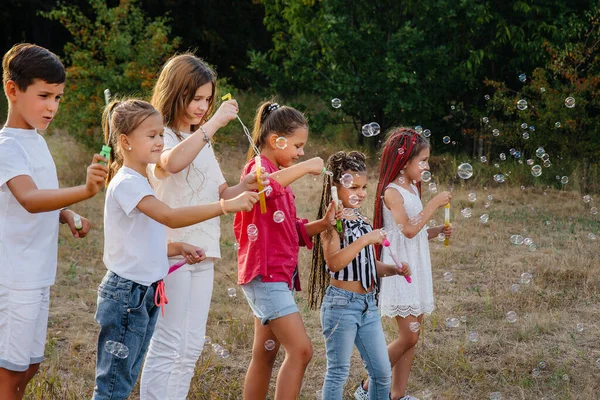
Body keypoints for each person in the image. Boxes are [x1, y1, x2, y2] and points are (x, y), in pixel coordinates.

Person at [92, 98, 258, 400]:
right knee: (113, 385)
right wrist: (224, 207)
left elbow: (143, 239)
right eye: (152, 136)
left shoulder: (142, 181)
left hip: (142, 293)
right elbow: (168, 216)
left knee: (126, 374)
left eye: (159, 135)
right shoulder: (127, 183)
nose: (159, 141)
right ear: (126, 142)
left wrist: (177, 246)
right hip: (126, 294)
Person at [140, 53, 269, 400]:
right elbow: (173, 163)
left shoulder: (200, 139)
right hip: (172, 251)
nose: (203, 106)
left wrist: (250, 184)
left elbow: (221, 191)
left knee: (191, 345)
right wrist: (215, 124)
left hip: (205, 252)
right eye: (196, 98)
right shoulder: (158, 136)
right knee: (168, 342)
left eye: (208, 99)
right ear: (175, 92)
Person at [0, 43, 108, 400]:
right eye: (44, 95)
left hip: (37, 273)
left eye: (58, 98)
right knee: (9, 372)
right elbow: (28, 199)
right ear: (12, 90)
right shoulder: (6, 146)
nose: (52, 107)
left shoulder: (36, 141)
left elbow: (42, 195)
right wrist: (85, 190)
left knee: (29, 365)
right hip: (14, 278)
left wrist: (66, 213)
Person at [234, 101, 338, 399]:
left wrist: (323, 223)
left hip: (276, 275)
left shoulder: (276, 174)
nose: (301, 152)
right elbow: (265, 187)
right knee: (302, 350)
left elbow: (290, 229)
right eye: (297, 145)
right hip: (265, 275)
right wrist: (306, 168)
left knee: (265, 354)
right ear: (274, 140)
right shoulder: (256, 170)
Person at [358, 127, 453, 400]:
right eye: (422, 160)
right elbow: (407, 230)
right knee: (407, 336)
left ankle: (396, 394)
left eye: (427, 160)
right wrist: (434, 203)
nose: (426, 166)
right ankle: (366, 387)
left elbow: (417, 230)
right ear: (404, 161)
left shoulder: (411, 188)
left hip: (418, 266)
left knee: (414, 333)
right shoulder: (392, 193)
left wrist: (436, 231)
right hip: (402, 269)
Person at [308, 151, 411, 400]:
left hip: (368, 304)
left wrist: (393, 270)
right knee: (338, 372)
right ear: (335, 188)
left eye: (364, 186)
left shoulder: (362, 220)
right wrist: (367, 239)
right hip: (341, 304)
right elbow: (334, 263)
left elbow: (368, 264)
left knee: (382, 372)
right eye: (353, 186)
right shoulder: (332, 222)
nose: (361, 192)